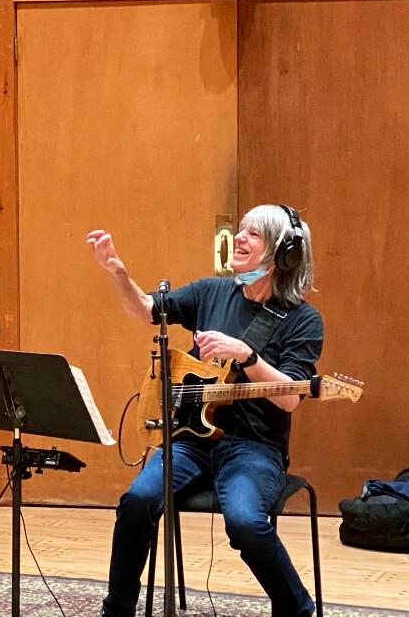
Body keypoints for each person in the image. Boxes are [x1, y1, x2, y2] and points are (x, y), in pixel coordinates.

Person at [87, 204, 323, 617]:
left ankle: (298, 610)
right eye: (242, 230)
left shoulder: (302, 320)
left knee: (246, 523)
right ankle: (117, 611)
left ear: (283, 256)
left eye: (255, 234)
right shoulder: (212, 292)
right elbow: (146, 309)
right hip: (188, 441)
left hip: (254, 447)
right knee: (136, 501)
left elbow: (289, 397)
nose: (241, 238)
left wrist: (247, 356)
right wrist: (117, 273)